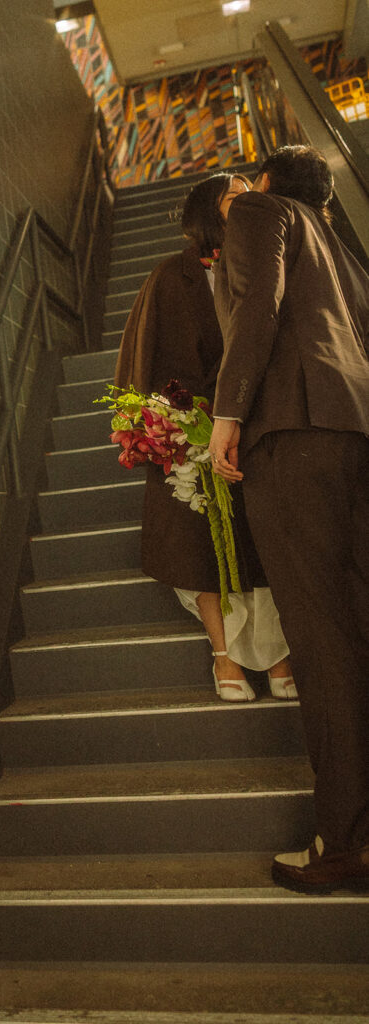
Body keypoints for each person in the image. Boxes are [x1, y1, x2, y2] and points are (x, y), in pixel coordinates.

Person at [208, 145, 369, 892]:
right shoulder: (338, 248)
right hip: (354, 432)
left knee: (322, 638)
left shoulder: (256, 210)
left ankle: (344, 842)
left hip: (294, 433)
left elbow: (256, 305)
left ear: (267, 181)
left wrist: (226, 411)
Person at [115, 172, 294, 702]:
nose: (248, 200)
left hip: (258, 427)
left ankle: (279, 653)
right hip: (192, 428)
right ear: (207, 211)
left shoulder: (266, 264)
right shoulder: (174, 274)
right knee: (199, 540)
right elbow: (155, 361)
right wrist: (188, 428)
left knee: (268, 538)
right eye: (235, 194)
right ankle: (223, 655)